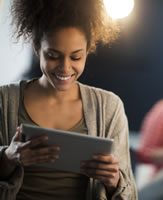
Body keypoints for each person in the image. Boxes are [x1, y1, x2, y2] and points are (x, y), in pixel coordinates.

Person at [0, 0, 137, 199]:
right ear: (37, 48)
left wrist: (113, 181)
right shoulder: (4, 100)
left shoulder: (109, 108)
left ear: (88, 50)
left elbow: (130, 194)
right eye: (53, 56)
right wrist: (7, 158)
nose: (65, 68)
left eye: (76, 57)